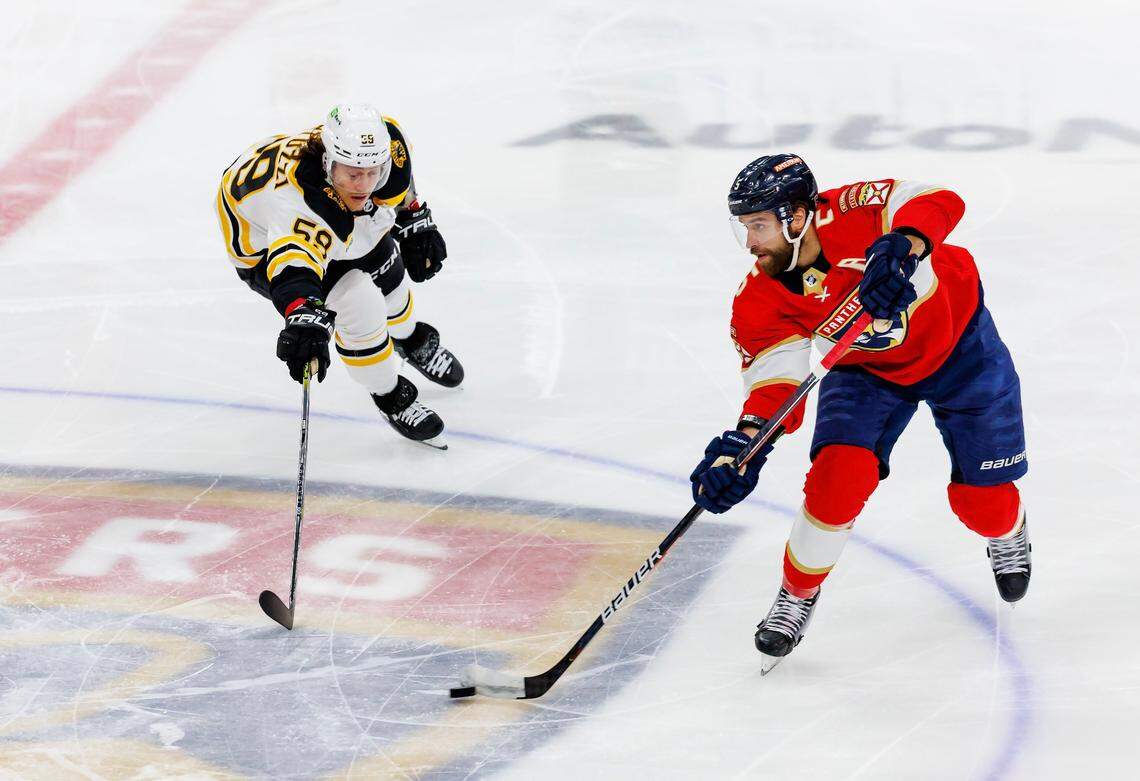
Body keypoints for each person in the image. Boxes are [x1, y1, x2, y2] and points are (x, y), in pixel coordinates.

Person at [689, 154, 1030, 670]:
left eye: (758, 226)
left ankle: (1009, 532)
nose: (751, 243)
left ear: (797, 217)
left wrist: (903, 244)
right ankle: (797, 594)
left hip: (962, 351)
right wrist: (747, 444)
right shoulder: (758, 298)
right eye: (745, 228)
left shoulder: (855, 208)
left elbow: (941, 199)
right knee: (836, 482)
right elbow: (776, 385)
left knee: (981, 506)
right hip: (865, 373)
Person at [214, 103, 462, 449]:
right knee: (359, 302)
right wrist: (302, 313)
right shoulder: (299, 204)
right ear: (328, 163)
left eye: (373, 172)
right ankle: (389, 393)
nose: (364, 184)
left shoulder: (382, 144)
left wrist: (414, 215)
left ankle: (407, 336)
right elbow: (293, 270)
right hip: (263, 246)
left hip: (323, 208)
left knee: (389, 270)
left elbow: (394, 157)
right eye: (353, 174)